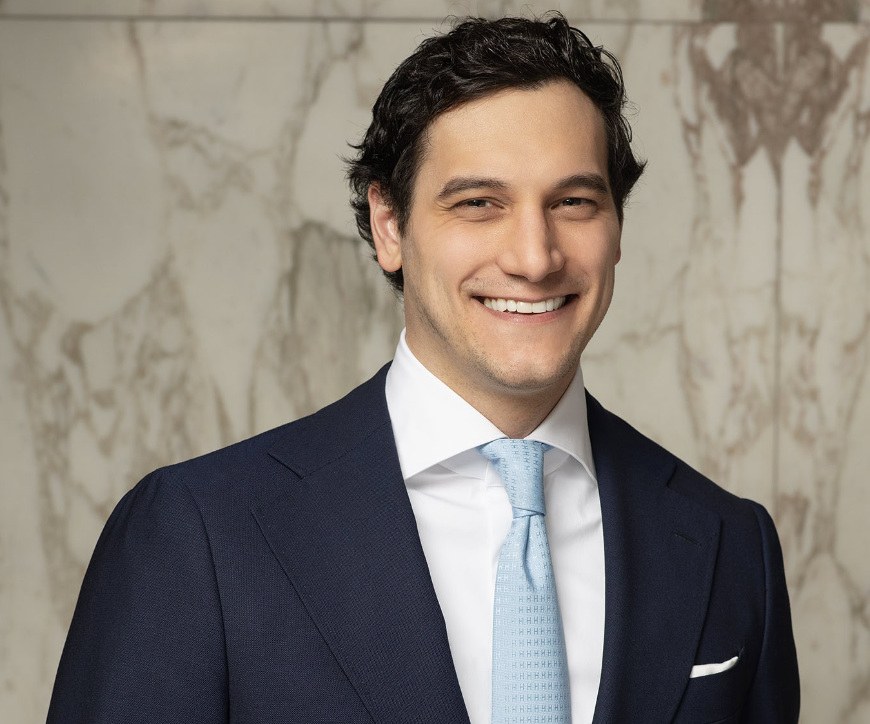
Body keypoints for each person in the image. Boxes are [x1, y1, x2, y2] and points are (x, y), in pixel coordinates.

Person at [47, 13, 799, 724]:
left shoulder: (732, 545)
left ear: (617, 227)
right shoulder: (197, 534)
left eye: (573, 202)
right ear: (389, 227)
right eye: (478, 204)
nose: (534, 257)